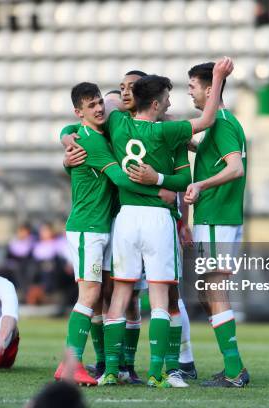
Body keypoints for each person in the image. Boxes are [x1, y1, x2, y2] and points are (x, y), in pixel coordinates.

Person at [101, 57, 233, 388]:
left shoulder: (117, 123)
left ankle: (112, 370)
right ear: (157, 103)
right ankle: (159, 371)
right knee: (160, 297)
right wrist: (217, 77)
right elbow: (207, 118)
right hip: (158, 220)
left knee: (120, 295)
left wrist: (127, 94)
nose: (172, 102)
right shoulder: (168, 131)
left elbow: (111, 102)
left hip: (125, 219)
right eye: (168, 98)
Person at [54, 82, 175, 385]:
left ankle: (112, 365)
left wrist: (65, 136)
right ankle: (74, 363)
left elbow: (69, 129)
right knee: (91, 294)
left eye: (100, 104)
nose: (98, 109)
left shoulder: (98, 134)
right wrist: (161, 188)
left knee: (107, 294)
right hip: (88, 227)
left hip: (106, 226)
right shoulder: (90, 141)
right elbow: (120, 177)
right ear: (79, 112)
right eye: (92, 105)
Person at [183, 62, 250, 388]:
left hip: (215, 217)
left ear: (210, 89)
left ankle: (234, 369)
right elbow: (217, 155)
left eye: (192, 86)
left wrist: (201, 186)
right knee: (207, 292)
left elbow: (235, 168)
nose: (189, 91)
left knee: (215, 289)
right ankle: (234, 365)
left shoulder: (221, 124)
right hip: (224, 218)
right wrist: (187, 145)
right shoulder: (226, 124)